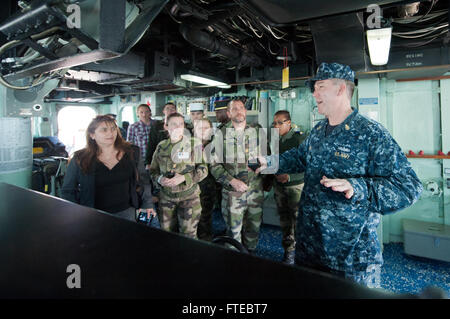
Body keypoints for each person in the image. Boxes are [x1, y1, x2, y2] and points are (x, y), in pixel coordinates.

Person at [256, 62, 423, 287]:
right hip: (310, 250)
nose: (314, 93)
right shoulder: (318, 131)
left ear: (341, 89)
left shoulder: (371, 133)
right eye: (314, 88)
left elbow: (409, 187)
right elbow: (299, 157)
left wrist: (358, 187)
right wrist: (269, 162)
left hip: (350, 260)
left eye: (320, 87)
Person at [61, 115, 155, 221]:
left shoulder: (132, 152)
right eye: (104, 130)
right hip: (92, 215)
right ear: (92, 135)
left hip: (127, 212)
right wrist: (77, 214)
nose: (110, 133)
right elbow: (68, 191)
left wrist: (147, 203)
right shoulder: (80, 158)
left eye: (113, 129)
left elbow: (143, 180)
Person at [210, 99, 268, 253]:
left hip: (255, 190)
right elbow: (214, 166)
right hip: (233, 192)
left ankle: (251, 258)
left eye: (241, 108)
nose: (239, 111)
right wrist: (232, 181)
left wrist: (264, 165)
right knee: (233, 233)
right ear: (228, 113)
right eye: (234, 109)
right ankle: (233, 265)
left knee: (253, 229)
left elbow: (267, 157)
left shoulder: (257, 131)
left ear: (246, 111)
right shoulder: (220, 134)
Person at [148, 113, 207, 238]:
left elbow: (203, 169)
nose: (178, 127)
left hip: (189, 197)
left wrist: (184, 178)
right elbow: (153, 170)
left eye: (181, 124)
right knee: (167, 234)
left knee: (189, 237)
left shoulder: (194, 144)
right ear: (166, 126)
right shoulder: (161, 146)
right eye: (174, 124)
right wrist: (159, 179)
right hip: (166, 198)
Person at [271, 110, 307, 264]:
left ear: (289, 123)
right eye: (274, 123)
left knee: (299, 222)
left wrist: (290, 176)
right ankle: (289, 251)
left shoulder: (300, 139)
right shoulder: (274, 140)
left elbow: (310, 166)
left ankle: (302, 254)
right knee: (285, 221)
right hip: (279, 187)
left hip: (296, 188)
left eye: (280, 122)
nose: (276, 126)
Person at [126, 104, 156, 214]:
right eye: (141, 112)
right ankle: (147, 205)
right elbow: (130, 144)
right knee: (144, 182)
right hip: (141, 160)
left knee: (157, 182)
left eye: (146, 111)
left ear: (150, 112)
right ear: (137, 114)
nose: (144, 114)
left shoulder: (157, 125)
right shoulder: (133, 127)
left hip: (156, 159)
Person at [193, 117, 216, 241]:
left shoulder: (216, 146)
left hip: (207, 189)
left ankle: (205, 242)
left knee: (204, 219)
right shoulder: (186, 145)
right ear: (194, 130)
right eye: (199, 128)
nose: (203, 131)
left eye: (206, 128)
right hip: (189, 189)